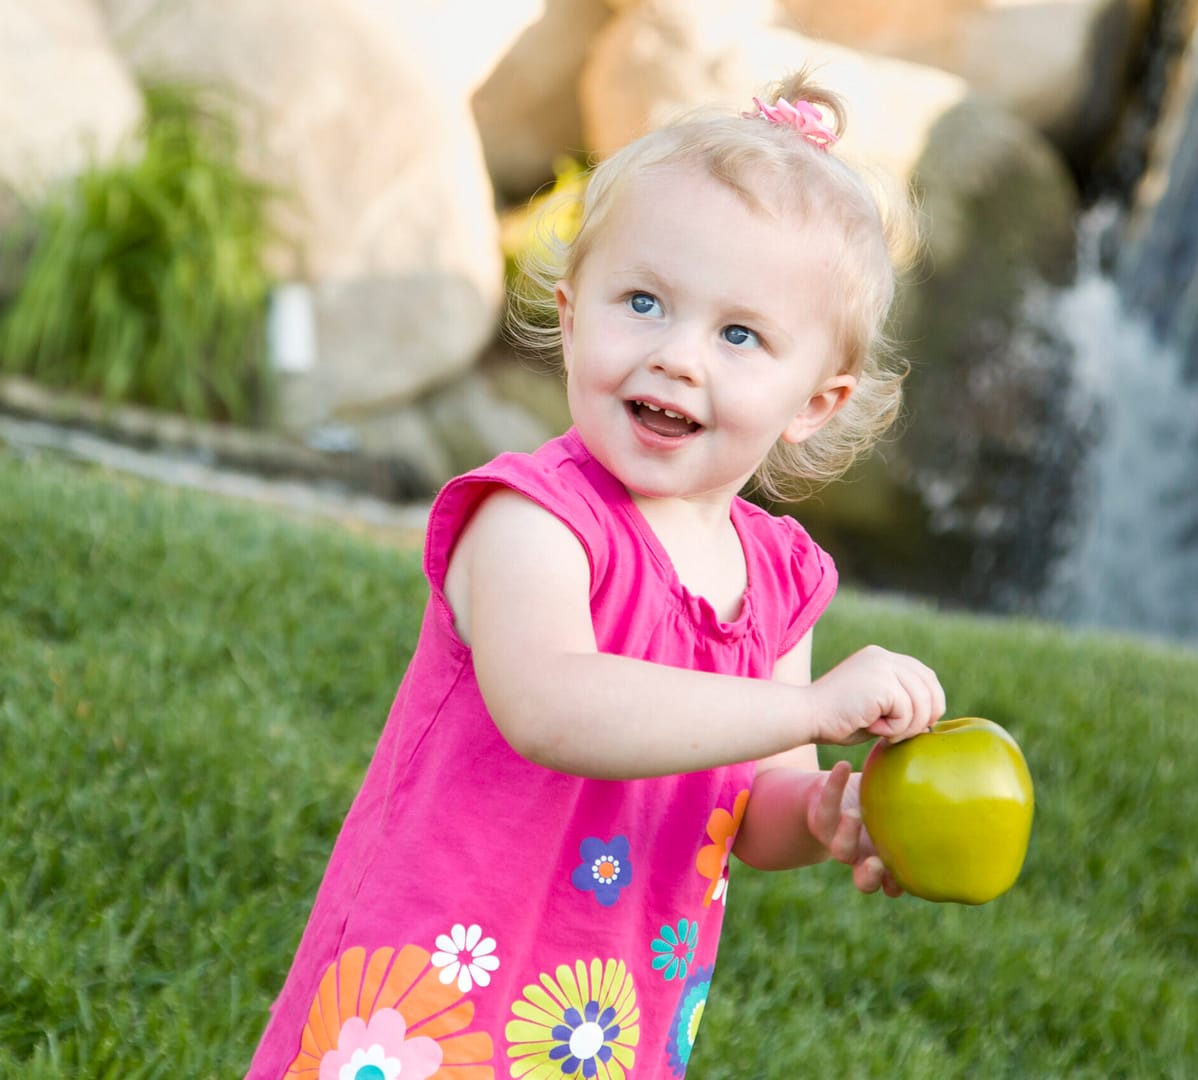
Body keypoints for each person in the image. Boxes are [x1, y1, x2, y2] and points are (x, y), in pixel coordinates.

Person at [248, 69, 943, 1079]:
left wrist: (830, 815)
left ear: (815, 401)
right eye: (644, 302)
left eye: (738, 335)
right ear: (571, 315)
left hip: (597, 1007)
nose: (677, 357)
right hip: (431, 978)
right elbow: (552, 706)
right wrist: (806, 708)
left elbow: (753, 807)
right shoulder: (532, 519)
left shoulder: (778, 581)